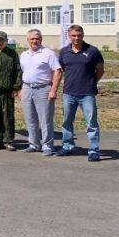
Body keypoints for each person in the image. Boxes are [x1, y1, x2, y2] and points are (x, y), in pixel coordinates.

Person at [57, 25, 104, 161]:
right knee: (67, 121)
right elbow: (61, 69)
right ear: (69, 36)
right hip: (69, 93)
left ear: (83, 35)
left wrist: (92, 82)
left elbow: (100, 70)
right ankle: (67, 146)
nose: (76, 38)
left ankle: (94, 150)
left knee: (91, 123)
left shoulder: (93, 51)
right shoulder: (64, 51)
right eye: (73, 36)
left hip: (87, 93)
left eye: (79, 35)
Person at [18, 28, 62, 155]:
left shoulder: (48, 53)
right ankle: (34, 144)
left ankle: (47, 145)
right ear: (28, 40)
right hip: (27, 88)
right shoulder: (24, 55)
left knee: (45, 119)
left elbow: (58, 71)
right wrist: (21, 88)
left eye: (37, 38)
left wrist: (53, 90)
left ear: (41, 39)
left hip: (43, 89)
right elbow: (24, 72)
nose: (34, 41)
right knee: (30, 118)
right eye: (32, 39)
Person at [0, 32, 22, 151]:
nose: (0, 42)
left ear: (6, 40)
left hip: (8, 91)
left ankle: (8, 141)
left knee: (8, 117)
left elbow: (18, 71)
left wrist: (16, 88)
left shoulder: (12, 54)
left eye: (2, 40)